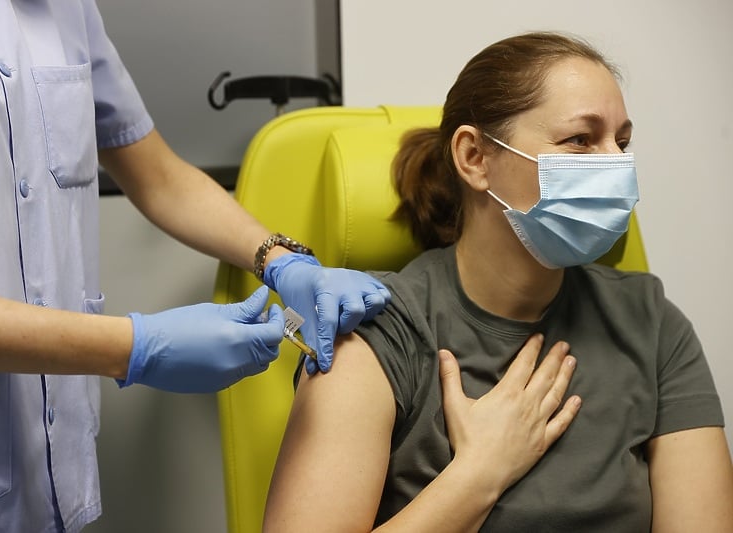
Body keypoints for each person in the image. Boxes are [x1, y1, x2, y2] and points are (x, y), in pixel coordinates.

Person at [0, 1, 390, 531]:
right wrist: (135, 347)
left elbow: (159, 178)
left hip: (48, 484)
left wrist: (283, 261)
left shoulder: (64, 10)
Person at [263, 31, 733, 532]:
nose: (613, 164)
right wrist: (480, 474)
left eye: (621, 142)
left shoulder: (652, 322)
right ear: (474, 158)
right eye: (580, 139)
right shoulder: (375, 330)